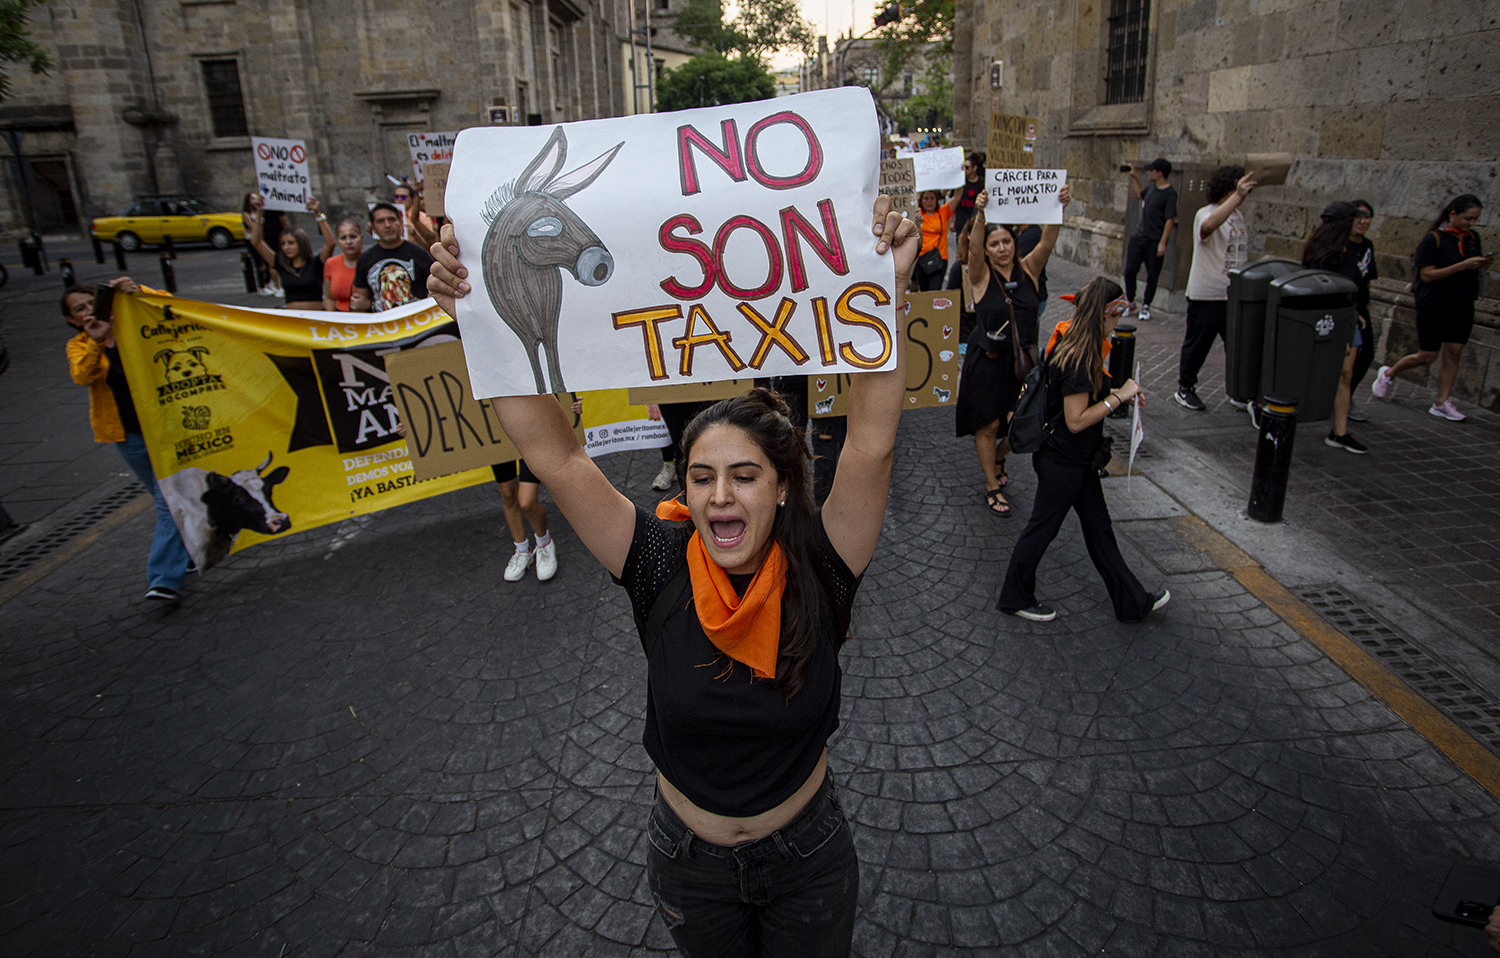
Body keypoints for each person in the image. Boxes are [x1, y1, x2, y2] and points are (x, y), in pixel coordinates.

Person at [425, 194, 918, 956]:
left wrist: (886, 287)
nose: (721, 494)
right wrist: (479, 314)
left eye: (745, 475)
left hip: (808, 860)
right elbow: (558, 459)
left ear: (783, 487)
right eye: (702, 476)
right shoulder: (654, 559)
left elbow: (870, 447)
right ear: (682, 488)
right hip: (690, 867)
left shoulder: (822, 563)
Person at [998, 277, 1169, 623]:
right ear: (1105, 315)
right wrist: (1118, 396)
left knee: (1099, 530)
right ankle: (1014, 596)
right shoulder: (1080, 358)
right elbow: (1076, 420)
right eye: (1117, 313)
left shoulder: (1075, 342)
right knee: (1042, 529)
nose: (1118, 321)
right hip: (1064, 460)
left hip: (1074, 459)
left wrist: (1122, 391)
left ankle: (1131, 602)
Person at [64, 278, 193, 602]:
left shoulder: (132, 326)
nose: (88, 310)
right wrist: (96, 342)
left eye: (91, 302)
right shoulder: (80, 346)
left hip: (163, 429)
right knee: (165, 499)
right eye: (79, 309)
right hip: (129, 436)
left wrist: (140, 291)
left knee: (169, 502)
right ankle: (189, 550)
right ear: (71, 320)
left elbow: (168, 307)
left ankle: (164, 579)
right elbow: (83, 376)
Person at [954, 183, 1071, 517]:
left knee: (1023, 423)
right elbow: (973, 250)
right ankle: (992, 484)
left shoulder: (1030, 269)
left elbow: (1049, 238)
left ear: (1015, 244)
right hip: (988, 362)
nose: (1002, 248)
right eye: (995, 243)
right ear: (988, 249)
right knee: (989, 426)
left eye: (1006, 241)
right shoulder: (979, 275)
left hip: (1022, 365)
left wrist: (1058, 208)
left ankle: (1000, 455)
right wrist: (980, 214)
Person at [1371, 193, 1488, 422]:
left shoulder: (1472, 238)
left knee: (1454, 352)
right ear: (1452, 214)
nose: (1471, 223)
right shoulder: (1433, 239)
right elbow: (1428, 275)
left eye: (1475, 219)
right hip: (1434, 302)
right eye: (1467, 218)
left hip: (1462, 302)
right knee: (1428, 355)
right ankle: (1389, 373)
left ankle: (1442, 402)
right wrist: (1462, 265)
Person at [1175, 165, 1257, 411]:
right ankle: (1185, 388)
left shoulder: (1237, 216)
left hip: (1233, 294)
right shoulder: (1205, 213)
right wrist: (1238, 196)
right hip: (1207, 293)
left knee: (1237, 346)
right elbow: (1209, 226)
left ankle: (1238, 391)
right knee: (1198, 344)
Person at [1301, 201, 1368, 454]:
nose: (1360, 222)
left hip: (1347, 316)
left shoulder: (1356, 249)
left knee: (1345, 374)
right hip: (1326, 319)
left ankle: (1339, 432)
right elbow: (1319, 291)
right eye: (1355, 218)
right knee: (1310, 369)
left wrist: (1356, 312)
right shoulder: (1324, 252)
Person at [248, 195, 336, 310]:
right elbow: (256, 242)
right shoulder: (281, 264)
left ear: (301, 243)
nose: (286, 247)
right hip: (292, 320)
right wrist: (259, 215)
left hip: (315, 318)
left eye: (291, 243)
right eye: (283, 244)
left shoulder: (316, 263)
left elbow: (330, 243)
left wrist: (318, 214)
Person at [350, 202, 434, 312]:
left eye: (392, 219)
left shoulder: (420, 254)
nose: (387, 225)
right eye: (380, 221)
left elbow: (437, 293)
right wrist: (368, 305)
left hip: (418, 323)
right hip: (382, 326)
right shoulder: (365, 259)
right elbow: (359, 302)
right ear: (373, 227)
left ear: (400, 222)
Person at [1123, 159, 1178, 321]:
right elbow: (1141, 195)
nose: (1148, 173)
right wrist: (1134, 178)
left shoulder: (1170, 193)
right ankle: (1131, 301)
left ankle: (1146, 305)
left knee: (1152, 274)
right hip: (1138, 237)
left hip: (1154, 240)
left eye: (1151, 170)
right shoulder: (1152, 188)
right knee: (1129, 271)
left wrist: (1162, 242)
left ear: (1159, 172)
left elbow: (1170, 219)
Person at [492, 460, 558, 582]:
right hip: (502, 444)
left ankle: (544, 544)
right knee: (508, 494)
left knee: (527, 502)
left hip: (528, 442)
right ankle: (522, 550)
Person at [1343, 200, 1378, 422]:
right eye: (1358, 216)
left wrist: (1365, 309)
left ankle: (1347, 397)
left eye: (1367, 217)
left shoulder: (1367, 246)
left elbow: (1367, 281)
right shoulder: (1337, 245)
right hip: (1343, 309)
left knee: (1366, 355)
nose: (1363, 222)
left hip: (1360, 310)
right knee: (1344, 361)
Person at [944, 151, 987, 290]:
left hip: (976, 225)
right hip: (962, 225)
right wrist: (952, 221)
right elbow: (952, 201)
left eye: (967, 167)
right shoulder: (960, 183)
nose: (965, 170)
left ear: (975, 168)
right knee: (962, 254)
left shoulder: (982, 182)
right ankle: (963, 283)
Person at [241, 193, 283, 297]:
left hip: (262, 237)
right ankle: (263, 286)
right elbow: (252, 228)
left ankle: (269, 284)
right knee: (260, 264)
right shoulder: (246, 214)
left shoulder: (258, 211)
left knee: (268, 262)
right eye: (252, 198)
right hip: (252, 238)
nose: (254, 200)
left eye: (255, 197)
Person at [913, 190, 952, 292]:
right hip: (921, 260)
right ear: (921, 200)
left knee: (935, 292)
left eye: (932, 198)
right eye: (926, 198)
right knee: (924, 292)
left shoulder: (943, 212)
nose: (929, 201)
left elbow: (956, 197)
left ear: (937, 200)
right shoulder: (917, 214)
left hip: (939, 259)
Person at [322, 218, 365, 312]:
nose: (348, 242)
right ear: (338, 241)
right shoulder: (331, 263)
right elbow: (329, 298)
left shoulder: (371, 262)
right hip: (340, 318)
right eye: (343, 238)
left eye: (353, 236)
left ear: (361, 238)